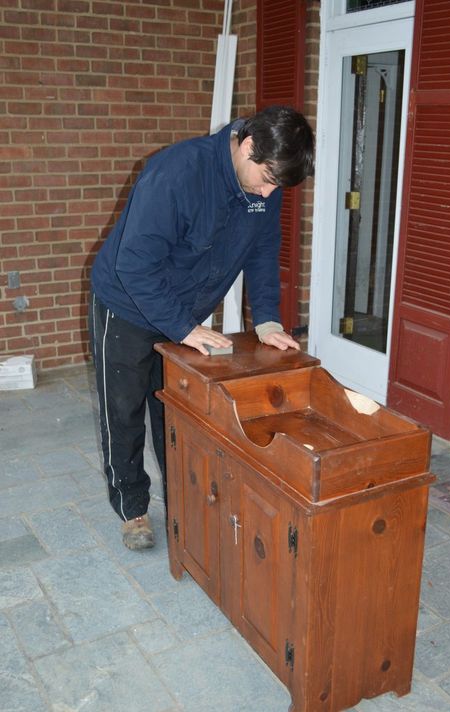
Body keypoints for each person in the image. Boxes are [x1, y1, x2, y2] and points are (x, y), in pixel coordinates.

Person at [89, 104, 314, 550]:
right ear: (248, 147)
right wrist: (183, 327)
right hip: (128, 302)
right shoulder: (177, 173)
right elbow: (133, 266)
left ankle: (184, 500)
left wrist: (266, 319)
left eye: (277, 186)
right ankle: (133, 506)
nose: (269, 195)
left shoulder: (266, 181)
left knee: (177, 411)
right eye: (268, 180)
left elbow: (263, 252)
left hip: (186, 310)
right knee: (125, 410)